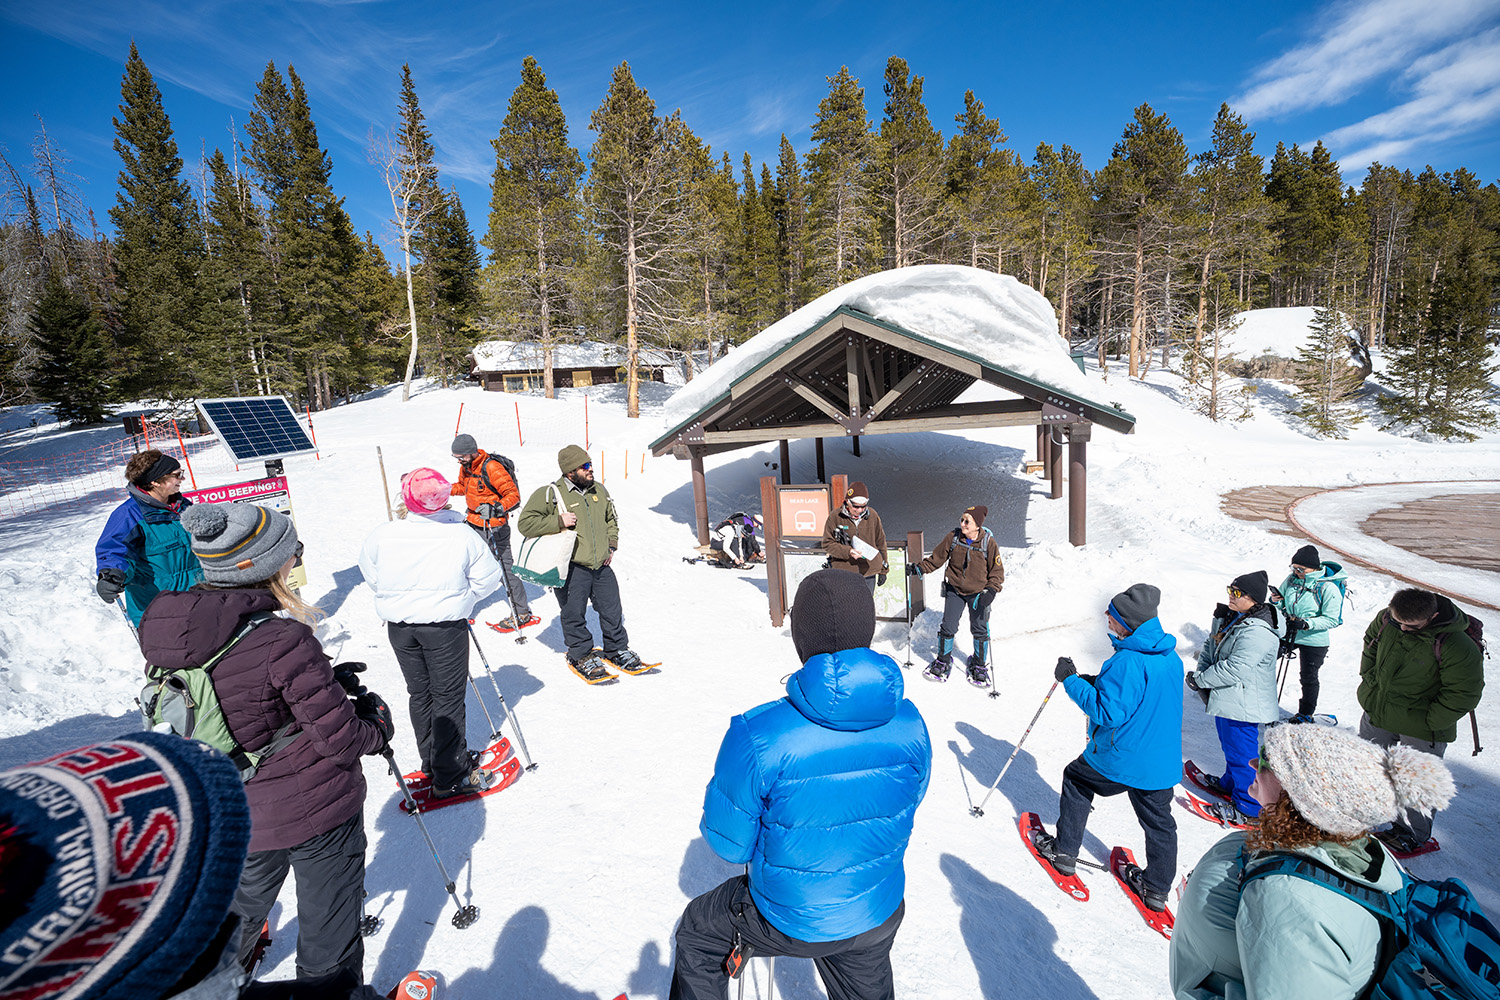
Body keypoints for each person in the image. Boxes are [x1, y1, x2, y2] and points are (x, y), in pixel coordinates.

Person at [140, 501, 394, 995]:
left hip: (232, 803)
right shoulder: (283, 637)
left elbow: (238, 700)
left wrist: (316, 688)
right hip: (313, 806)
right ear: (264, 564)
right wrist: (376, 726)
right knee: (328, 914)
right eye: (291, 552)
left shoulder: (175, 628)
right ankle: (330, 993)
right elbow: (339, 739)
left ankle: (210, 983)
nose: (294, 559)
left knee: (246, 894)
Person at [670, 569, 931, 1000]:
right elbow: (909, 800)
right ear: (867, 629)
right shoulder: (911, 722)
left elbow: (729, 845)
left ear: (801, 639)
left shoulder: (758, 734)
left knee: (700, 932)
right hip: (875, 908)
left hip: (789, 916)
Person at [1169, 722, 1455, 1000]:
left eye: (1267, 761)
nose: (1253, 763)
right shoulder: (1342, 843)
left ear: (1300, 798)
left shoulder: (1287, 902)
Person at [1029, 583, 1182, 912]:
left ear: (1127, 623)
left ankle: (1064, 852)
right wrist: (1095, 682)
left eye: (1112, 615)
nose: (1106, 617)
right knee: (1160, 823)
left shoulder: (1127, 660)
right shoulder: (1169, 658)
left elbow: (1107, 712)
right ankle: (1156, 890)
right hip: (1160, 762)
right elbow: (1142, 695)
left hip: (1123, 759)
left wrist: (1071, 680)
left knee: (1077, 778)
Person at [359, 468, 502, 798]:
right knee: (447, 698)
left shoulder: (383, 534)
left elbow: (372, 573)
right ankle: (450, 776)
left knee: (420, 694)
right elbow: (489, 579)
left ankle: (433, 761)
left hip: (401, 628)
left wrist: (398, 596)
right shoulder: (462, 535)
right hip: (442, 628)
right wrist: (464, 600)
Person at [1357, 587, 1483, 854]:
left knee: (1418, 782)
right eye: (1398, 621)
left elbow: (1464, 692)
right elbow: (1370, 644)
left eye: (1410, 625)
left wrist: (1431, 721)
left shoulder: (1455, 643)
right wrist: (1370, 683)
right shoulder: (1386, 619)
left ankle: (1414, 836)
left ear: (1433, 616)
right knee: (1370, 768)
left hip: (1422, 726)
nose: (1402, 628)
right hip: (1378, 712)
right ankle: (1377, 818)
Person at [517, 445, 647, 683]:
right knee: (573, 613)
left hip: (601, 564)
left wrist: (612, 544)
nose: (590, 470)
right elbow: (525, 524)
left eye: (590, 464)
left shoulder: (599, 489)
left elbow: (611, 518)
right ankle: (581, 655)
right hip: (571, 567)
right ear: (569, 472)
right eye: (584, 466)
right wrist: (558, 521)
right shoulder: (551, 493)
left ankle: (616, 649)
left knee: (612, 610)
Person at [1185, 570, 1284, 826]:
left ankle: (1249, 807)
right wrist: (1218, 624)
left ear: (1252, 599)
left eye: (1237, 592)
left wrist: (1202, 680)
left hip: (1244, 704)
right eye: (1230, 589)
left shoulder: (1258, 631)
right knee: (1232, 748)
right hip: (1232, 699)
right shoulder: (1240, 620)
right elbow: (1212, 647)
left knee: (1243, 754)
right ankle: (1231, 784)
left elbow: (1236, 668)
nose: (1231, 595)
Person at [95, 448, 203, 626]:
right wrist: (111, 575)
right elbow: (115, 551)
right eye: (177, 475)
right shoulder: (129, 515)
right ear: (155, 482)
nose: (182, 479)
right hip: (159, 610)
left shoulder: (182, 506)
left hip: (199, 599)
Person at [450, 433, 537, 634]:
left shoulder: (491, 467)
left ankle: (522, 612)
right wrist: (444, 489)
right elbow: (463, 487)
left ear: (471, 452)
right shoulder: (467, 467)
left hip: (494, 526)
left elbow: (513, 496)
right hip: (472, 522)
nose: (459, 461)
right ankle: (461, 608)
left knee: (504, 568)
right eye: (456, 457)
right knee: (466, 565)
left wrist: (496, 508)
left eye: (461, 457)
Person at [910, 504, 1004, 686]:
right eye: (962, 519)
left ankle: (979, 665)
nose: (963, 523)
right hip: (955, 590)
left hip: (979, 593)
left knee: (980, 628)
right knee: (948, 625)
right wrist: (919, 568)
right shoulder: (953, 538)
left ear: (977, 525)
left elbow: (997, 572)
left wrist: (991, 590)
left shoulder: (988, 543)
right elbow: (937, 558)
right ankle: (943, 660)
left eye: (967, 521)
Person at [1274, 543, 1347, 719]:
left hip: (1314, 640)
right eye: (1294, 567)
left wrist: (1306, 624)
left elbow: (1332, 619)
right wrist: (1277, 601)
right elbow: (1282, 602)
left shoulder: (1327, 588)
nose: (1296, 571)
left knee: (1308, 677)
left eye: (1301, 568)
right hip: (1289, 633)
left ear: (1313, 568)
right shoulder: (1291, 580)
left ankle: (1305, 714)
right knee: (1264, 660)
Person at [820, 480, 888, 594]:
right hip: (844, 572)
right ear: (848, 502)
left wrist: (883, 570)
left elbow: (881, 542)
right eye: (856, 506)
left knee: (865, 608)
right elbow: (827, 544)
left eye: (863, 506)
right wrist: (848, 551)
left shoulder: (873, 515)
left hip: (868, 571)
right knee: (846, 607)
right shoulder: (835, 517)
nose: (859, 510)